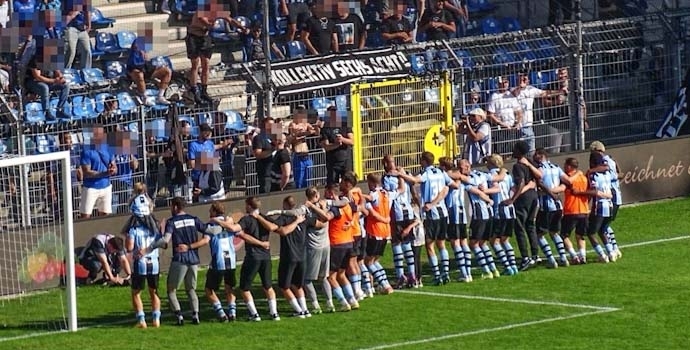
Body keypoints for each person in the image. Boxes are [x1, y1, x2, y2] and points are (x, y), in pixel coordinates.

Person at [162, 197, 222, 326]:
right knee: (191, 289)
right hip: (194, 259)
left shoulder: (171, 222)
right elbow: (209, 230)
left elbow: (166, 240)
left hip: (180, 259)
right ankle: (195, 315)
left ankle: (179, 317)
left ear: (176, 207)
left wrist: (157, 241)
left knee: (171, 290)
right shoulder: (194, 219)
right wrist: (224, 225)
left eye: (172, 206)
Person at [204, 201, 268, 322]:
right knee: (229, 288)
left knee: (209, 290)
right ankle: (232, 312)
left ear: (214, 211)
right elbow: (243, 235)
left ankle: (221, 313)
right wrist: (261, 243)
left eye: (210, 210)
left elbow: (205, 239)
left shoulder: (211, 224)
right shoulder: (230, 223)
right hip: (231, 261)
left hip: (218, 262)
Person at [397, 151, 453, 285]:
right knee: (441, 244)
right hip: (443, 212)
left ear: (424, 161)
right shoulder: (441, 172)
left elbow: (415, 180)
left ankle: (437, 275)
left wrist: (401, 174)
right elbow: (450, 185)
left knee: (430, 245)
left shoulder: (425, 173)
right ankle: (445, 272)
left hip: (431, 213)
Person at [306, 173, 360, 311]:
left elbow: (326, 218)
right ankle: (353, 300)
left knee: (330, 277)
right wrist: (352, 222)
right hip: (349, 241)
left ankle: (343, 302)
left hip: (337, 243)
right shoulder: (348, 202)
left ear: (330, 192)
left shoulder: (336, 207)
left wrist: (312, 207)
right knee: (341, 274)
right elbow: (356, 211)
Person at [185, 1, 247, 104]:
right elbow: (203, 20)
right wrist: (211, 24)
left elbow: (230, 20)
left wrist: (241, 27)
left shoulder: (217, 8)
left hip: (204, 37)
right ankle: (194, 89)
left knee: (206, 64)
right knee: (195, 64)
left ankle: (204, 90)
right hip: (194, 37)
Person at [264, 196, 311, 318]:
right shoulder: (303, 218)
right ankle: (305, 310)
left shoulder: (284, 219)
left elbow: (279, 229)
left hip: (289, 256)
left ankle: (299, 310)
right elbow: (319, 223)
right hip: (302, 256)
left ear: (285, 205)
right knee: (297, 285)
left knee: (284, 286)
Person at [237, 197, 281, 321]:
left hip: (253, 256)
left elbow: (242, 233)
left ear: (249, 206)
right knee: (268, 286)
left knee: (244, 288)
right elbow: (273, 227)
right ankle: (274, 313)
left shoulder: (246, 219)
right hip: (266, 256)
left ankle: (254, 314)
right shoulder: (263, 217)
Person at [502, 141, 541, 271]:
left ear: (519, 151)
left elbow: (521, 183)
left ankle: (525, 257)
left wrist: (513, 199)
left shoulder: (518, 166)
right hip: (534, 197)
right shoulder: (530, 163)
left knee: (519, 227)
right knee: (530, 226)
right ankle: (535, 255)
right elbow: (539, 177)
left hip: (524, 199)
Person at [531, 148, 572, 268]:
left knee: (539, 234)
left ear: (541, 155)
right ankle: (563, 258)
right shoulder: (556, 167)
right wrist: (557, 190)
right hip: (558, 205)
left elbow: (540, 186)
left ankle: (551, 259)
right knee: (554, 232)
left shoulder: (539, 170)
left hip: (546, 206)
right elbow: (567, 182)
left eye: (535, 154)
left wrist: (548, 191)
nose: (533, 156)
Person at [572, 152, 616, 263]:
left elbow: (594, 191)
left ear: (592, 162)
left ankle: (602, 255)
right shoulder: (607, 173)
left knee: (590, 232)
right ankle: (611, 253)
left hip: (600, 206)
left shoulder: (592, 175)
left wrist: (579, 192)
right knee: (602, 230)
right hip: (610, 205)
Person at [382, 155, 417, 289]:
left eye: (393, 161)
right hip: (400, 212)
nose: (392, 163)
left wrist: (401, 175)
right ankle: (405, 275)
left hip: (401, 212)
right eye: (390, 161)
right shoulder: (387, 177)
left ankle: (406, 275)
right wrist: (401, 175)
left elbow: (412, 183)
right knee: (402, 243)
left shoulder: (396, 175)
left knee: (400, 243)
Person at [362, 173, 399, 295]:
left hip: (375, 230)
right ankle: (385, 284)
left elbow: (371, 211)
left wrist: (357, 194)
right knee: (375, 261)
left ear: (372, 183)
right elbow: (401, 190)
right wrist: (401, 177)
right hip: (385, 231)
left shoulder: (374, 194)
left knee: (368, 262)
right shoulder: (388, 193)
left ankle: (384, 285)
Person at [483, 154, 520, 275]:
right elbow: (513, 188)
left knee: (494, 241)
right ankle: (513, 266)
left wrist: (483, 191)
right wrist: (510, 198)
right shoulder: (507, 175)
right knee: (505, 240)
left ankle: (507, 266)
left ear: (492, 163)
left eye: (487, 162)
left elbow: (495, 186)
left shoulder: (491, 175)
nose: (486, 164)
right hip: (510, 210)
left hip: (499, 211)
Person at [126, 216, 164, 328]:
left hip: (140, 263)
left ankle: (141, 320)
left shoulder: (133, 230)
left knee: (136, 293)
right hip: (154, 263)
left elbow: (129, 247)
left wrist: (127, 239)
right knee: (154, 291)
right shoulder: (154, 230)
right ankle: (156, 319)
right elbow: (163, 244)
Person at [438, 158, 471, 282]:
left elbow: (456, 183)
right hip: (461, 210)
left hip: (453, 209)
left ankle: (464, 273)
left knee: (456, 242)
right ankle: (467, 273)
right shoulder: (458, 175)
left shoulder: (447, 176)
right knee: (463, 242)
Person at [589, 141, 622, 260]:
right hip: (614, 196)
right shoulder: (610, 160)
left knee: (602, 226)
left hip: (608, 197)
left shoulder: (602, 165)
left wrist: (591, 171)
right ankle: (614, 248)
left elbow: (606, 169)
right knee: (605, 226)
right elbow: (620, 174)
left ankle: (612, 249)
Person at [79, 124, 116, 219]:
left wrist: (113, 169)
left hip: (106, 186)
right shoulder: (86, 150)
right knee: (85, 216)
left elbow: (113, 163)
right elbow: (86, 171)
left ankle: (105, 233)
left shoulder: (107, 147)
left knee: (106, 216)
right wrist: (104, 174)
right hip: (91, 188)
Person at [24, 49, 70, 121]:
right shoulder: (35, 60)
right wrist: (54, 81)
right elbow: (38, 77)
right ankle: (46, 113)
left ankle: (60, 110)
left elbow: (57, 71)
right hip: (33, 82)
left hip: (48, 81)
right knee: (44, 87)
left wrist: (61, 78)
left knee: (65, 85)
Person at [561, 157, 590, 264]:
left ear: (569, 166)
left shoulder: (568, 177)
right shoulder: (583, 178)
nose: (564, 167)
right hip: (584, 210)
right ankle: (583, 255)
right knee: (580, 235)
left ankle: (574, 255)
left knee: (564, 235)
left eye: (565, 165)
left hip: (571, 210)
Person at [126, 37, 171, 106]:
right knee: (139, 75)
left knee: (167, 71)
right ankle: (144, 97)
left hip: (146, 68)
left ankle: (160, 96)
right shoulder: (137, 44)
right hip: (135, 69)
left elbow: (147, 60)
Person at [320, 106, 354, 186]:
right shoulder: (325, 128)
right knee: (332, 185)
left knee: (348, 184)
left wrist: (342, 139)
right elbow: (326, 147)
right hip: (332, 163)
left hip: (346, 161)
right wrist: (336, 144)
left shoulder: (345, 125)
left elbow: (352, 141)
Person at [287, 106, 319, 189]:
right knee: (299, 180)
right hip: (298, 155)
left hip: (306, 155)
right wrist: (307, 133)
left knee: (308, 179)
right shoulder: (292, 124)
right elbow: (297, 134)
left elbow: (315, 132)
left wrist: (317, 126)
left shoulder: (305, 124)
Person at [63, 0, 92, 69]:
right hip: (70, 27)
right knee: (70, 53)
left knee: (87, 50)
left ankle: (86, 72)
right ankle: (65, 72)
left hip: (82, 27)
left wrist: (88, 24)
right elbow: (70, 14)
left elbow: (87, 9)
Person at [253, 117, 276, 194]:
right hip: (266, 172)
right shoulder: (258, 138)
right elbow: (258, 154)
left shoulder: (275, 136)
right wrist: (272, 150)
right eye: (270, 124)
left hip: (277, 172)